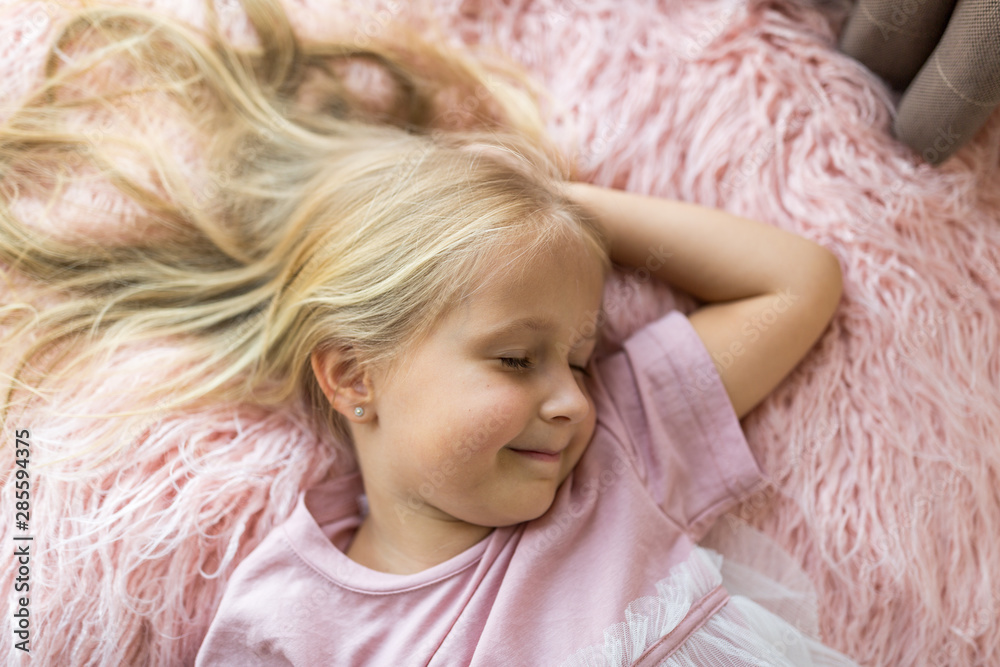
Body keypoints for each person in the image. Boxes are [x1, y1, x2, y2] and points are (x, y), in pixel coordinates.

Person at [0, 1, 855, 664]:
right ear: (353, 376)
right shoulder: (288, 619)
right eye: (519, 358)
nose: (570, 400)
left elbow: (796, 283)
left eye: (583, 359)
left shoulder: (620, 453)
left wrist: (560, 212)